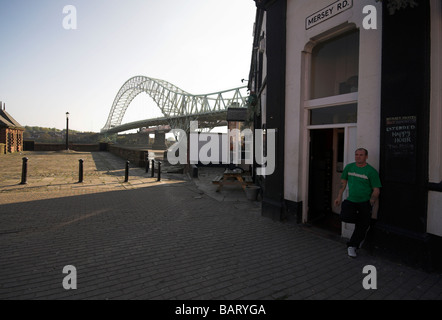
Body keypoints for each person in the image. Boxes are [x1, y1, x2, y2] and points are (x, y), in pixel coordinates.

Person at [334, 148, 382, 258]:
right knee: (344, 216)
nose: (358, 157)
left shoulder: (371, 171)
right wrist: (339, 196)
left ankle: (352, 246)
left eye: (361, 155)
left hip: (365, 203)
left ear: (366, 157)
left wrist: (371, 201)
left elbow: (376, 189)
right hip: (351, 200)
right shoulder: (349, 167)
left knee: (362, 227)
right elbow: (343, 182)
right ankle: (364, 222)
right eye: (356, 154)